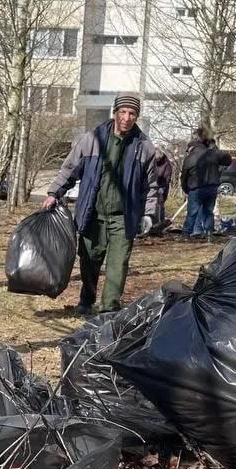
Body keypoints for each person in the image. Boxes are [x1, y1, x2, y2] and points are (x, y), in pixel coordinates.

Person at [42, 93, 162, 316]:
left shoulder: (144, 146)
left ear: (137, 117)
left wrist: (148, 214)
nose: (127, 117)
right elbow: (70, 169)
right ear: (115, 112)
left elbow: (151, 186)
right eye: (123, 112)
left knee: (118, 265)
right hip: (92, 213)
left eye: (132, 114)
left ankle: (109, 310)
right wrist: (54, 193)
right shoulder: (93, 139)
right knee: (89, 261)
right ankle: (86, 301)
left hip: (123, 217)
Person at [181, 127, 233, 239]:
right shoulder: (212, 153)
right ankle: (209, 233)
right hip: (211, 187)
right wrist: (214, 148)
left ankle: (186, 234)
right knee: (208, 212)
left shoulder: (190, 157)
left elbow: (184, 176)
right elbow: (228, 160)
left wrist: (186, 189)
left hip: (196, 188)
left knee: (192, 213)